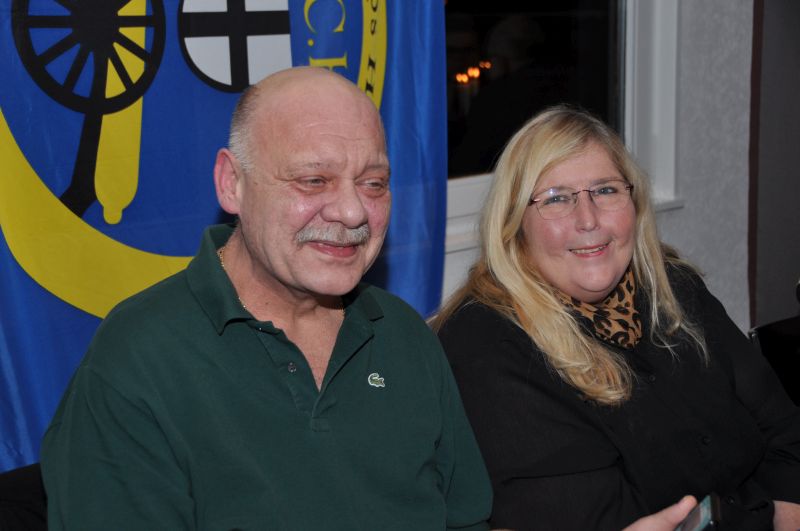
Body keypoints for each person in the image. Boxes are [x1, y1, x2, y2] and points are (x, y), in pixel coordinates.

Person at [40, 67, 493, 530]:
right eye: (313, 180)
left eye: (373, 183)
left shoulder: (402, 332)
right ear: (231, 184)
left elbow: (467, 518)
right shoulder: (137, 358)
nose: (353, 211)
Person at [433, 106, 800, 530]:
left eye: (605, 190)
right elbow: (603, 519)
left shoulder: (672, 286)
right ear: (514, 225)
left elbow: (786, 432)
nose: (588, 219)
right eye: (556, 198)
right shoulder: (488, 347)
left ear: (634, 202)